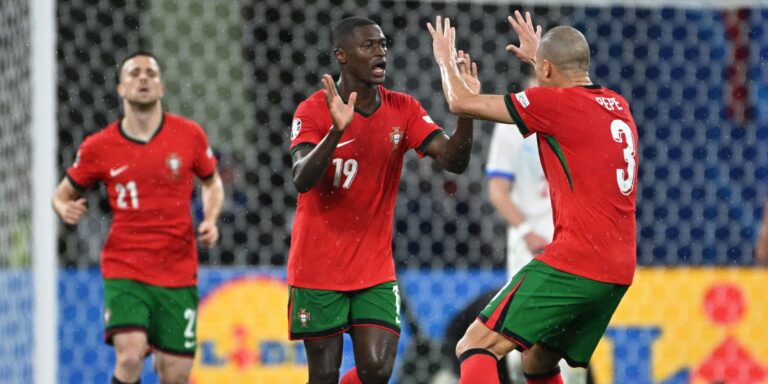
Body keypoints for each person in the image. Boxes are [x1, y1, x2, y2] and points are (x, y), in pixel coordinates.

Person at [428, 11, 638, 384]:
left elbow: (460, 101)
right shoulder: (617, 105)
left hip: (575, 260)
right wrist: (540, 61)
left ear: (546, 71)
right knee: (537, 361)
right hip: (618, 267)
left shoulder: (550, 104)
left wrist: (445, 58)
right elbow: (571, 94)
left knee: (474, 345)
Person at [288, 16, 478, 384]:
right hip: (317, 266)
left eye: (383, 45)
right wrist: (335, 132)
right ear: (341, 56)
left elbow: (454, 161)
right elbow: (301, 178)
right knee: (323, 374)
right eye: (368, 46)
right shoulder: (313, 110)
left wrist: (466, 110)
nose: (380, 53)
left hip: (373, 269)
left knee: (377, 369)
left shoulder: (402, 109)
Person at [52, 51, 224, 384]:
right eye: (134, 73)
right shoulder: (98, 146)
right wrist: (63, 208)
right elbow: (61, 195)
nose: (143, 78)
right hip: (126, 267)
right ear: (120, 88)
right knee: (130, 357)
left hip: (178, 270)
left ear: (161, 87)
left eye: (150, 73)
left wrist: (211, 219)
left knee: (174, 374)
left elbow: (212, 182)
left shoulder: (189, 135)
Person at [486, 75, 587, 384]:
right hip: (529, 245)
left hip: (569, 240)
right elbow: (497, 191)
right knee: (521, 340)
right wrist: (527, 231)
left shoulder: (575, 119)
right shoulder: (510, 126)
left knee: (570, 343)